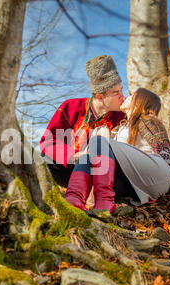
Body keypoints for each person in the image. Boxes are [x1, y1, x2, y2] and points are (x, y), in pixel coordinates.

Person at [64, 87, 170, 214]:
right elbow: (103, 166)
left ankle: (105, 204)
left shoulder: (147, 120)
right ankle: (73, 200)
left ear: (140, 102)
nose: (125, 97)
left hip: (156, 172)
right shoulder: (119, 129)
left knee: (98, 142)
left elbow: (166, 151)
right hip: (133, 181)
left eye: (131, 95)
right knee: (89, 155)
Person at [39, 55, 126, 187]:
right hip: (70, 169)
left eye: (121, 90)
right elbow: (48, 142)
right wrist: (75, 156)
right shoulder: (70, 107)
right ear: (100, 96)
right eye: (116, 92)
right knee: (44, 160)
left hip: (104, 175)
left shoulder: (123, 114)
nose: (122, 96)